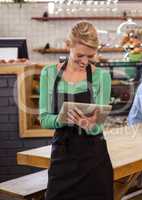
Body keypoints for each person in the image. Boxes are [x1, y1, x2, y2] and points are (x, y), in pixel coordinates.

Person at [39, 21, 113, 200]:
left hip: (94, 160)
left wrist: (90, 125)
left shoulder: (101, 77)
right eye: (80, 55)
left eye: (90, 56)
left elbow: (98, 127)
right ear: (68, 45)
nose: (85, 61)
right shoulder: (48, 74)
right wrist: (61, 120)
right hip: (62, 159)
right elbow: (43, 118)